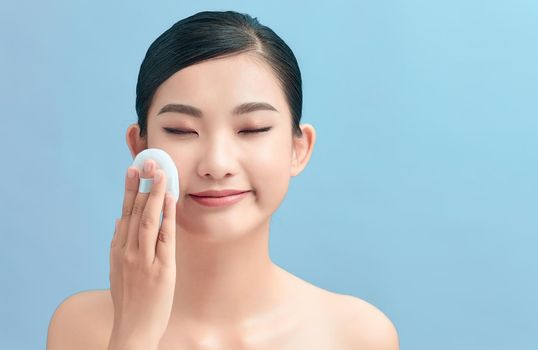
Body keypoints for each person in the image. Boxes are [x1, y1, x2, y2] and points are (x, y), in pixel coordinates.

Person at [47, 10, 399, 349]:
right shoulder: (80, 327)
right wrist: (134, 333)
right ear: (141, 147)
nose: (216, 164)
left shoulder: (357, 336)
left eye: (253, 129)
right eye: (181, 130)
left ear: (298, 148)